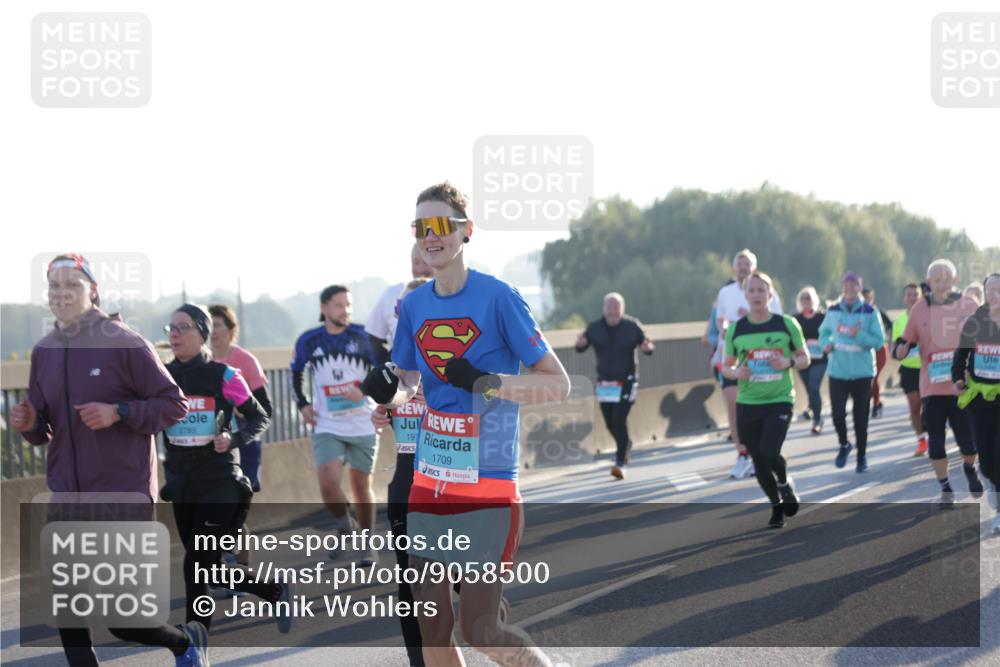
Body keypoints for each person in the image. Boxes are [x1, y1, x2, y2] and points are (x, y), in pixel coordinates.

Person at [363, 181, 570, 667]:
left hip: (488, 480)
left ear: (466, 231)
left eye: (440, 226)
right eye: (420, 228)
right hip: (430, 479)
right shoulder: (413, 306)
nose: (429, 237)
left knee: (481, 628)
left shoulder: (499, 297)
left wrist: (486, 382)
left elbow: (557, 383)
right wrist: (387, 394)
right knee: (431, 625)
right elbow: (412, 382)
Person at [11, 254, 206, 667]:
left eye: (72, 285)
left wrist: (120, 412)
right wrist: (29, 423)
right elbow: (43, 430)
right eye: (54, 287)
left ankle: (185, 641)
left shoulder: (125, 342)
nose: (61, 294)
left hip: (122, 493)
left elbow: (174, 405)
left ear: (93, 290)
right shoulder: (43, 351)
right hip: (67, 494)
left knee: (125, 622)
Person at [161, 304, 292, 633]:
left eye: (183, 327)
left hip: (220, 481)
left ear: (202, 333)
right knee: (206, 566)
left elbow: (260, 416)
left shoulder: (225, 375)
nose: (174, 334)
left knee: (196, 564)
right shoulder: (162, 379)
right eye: (171, 328)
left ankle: (194, 639)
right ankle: (273, 590)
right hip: (182, 483)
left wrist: (234, 438)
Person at [291, 285, 380, 563]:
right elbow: (295, 374)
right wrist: (303, 405)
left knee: (360, 485)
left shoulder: (364, 336)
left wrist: (364, 390)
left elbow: (384, 372)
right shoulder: (309, 340)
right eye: (340, 305)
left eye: (349, 305)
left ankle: (366, 543)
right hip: (327, 423)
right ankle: (345, 524)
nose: (346, 311)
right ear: (324, 308)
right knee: (328, 482)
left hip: (363, 422)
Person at [722, 272, 810, 528]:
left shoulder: (787, 324)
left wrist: (788, 362)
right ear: (746, 295)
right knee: (758, 460)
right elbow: (726, 367)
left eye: (762, 291)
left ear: (770, 295)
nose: (757, 295)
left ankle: (783, 482)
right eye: (752, 291)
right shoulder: (737, 329)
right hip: (748, 402)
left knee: (769, 451)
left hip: (779, 399)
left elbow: (805, 358)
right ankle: (776, 506)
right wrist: (737, 372)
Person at [896, 259, 982, 507]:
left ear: (954, 281)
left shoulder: (969, 305)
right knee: (936, 444)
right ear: (929, 282)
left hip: (963, 388)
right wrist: (901, 349)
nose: (941, 283)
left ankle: (969, 467)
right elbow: (905, 341)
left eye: (946, 278)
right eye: (936, 279)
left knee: (969, 443)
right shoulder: (919, 309)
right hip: (932, 388)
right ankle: (945, 487)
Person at [208, 304, 272, 569]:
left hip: (242, 442)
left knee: (233, 510)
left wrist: (237, 413)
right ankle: (224, 567)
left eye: (218, 325)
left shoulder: (244, 361)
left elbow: (264, 410)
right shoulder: (199, 362)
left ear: (231, 330)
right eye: (208, 326)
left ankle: (241, 568)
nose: (213, 332)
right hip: (208, 446)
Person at [714, 249, 783, 479]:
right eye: (739, 263)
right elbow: (719, 319)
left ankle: (758, 455)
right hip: (733, 358)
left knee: (760, 413)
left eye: (747, 264)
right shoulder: (725, 292)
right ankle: (742, 455)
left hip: (763, 362)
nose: (743, 267)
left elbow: (779, 323)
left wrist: (751, 315)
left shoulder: (766, 290)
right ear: (734, 268)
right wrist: (724, 325)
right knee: (734, 408)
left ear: (754, 268)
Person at [575, 292, 654, 479]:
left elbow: (647, 345)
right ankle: (625, 445)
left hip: (627, 381)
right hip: (605, 382)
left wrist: (648, 348)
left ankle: (620, 462)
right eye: (609, 306)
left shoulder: (632, 326)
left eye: (616, 306)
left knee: (619, 419)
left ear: (622, 308)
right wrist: (580, 343)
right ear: (604, 308)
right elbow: (580, 347)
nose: (613, 310)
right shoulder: (594, 328)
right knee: (610, 422)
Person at [819, 272, 885, 472]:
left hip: (863, 373)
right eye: (846, 285)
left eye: (853, 285)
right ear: (842, 287)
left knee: (860, 417)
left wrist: (860, 335)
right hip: (838, 372)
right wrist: (826, 344)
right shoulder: (833, 310)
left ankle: (861, 456)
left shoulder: (869, 312)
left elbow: (879, 341)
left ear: (859, 288)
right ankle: (844, 444)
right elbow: (824, 333)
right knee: (837, 413)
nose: (849, 288)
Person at [953, 273, 1000, 532]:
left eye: (999, 290)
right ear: (984, 294)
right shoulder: (975, 322)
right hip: (980, 397)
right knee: (987, 460)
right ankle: (993, 483)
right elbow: (960, 355)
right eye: (990, 290)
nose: (995, 295)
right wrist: (957, 377)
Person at [366, 243, 434, 364]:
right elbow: (374, 337)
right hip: (402, 376)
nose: (420, 269)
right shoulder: (392, 294)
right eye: (416, 262)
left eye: (426, 262)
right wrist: (387, 368)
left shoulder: (453, 295)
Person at [892, 284, 928, 456]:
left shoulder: (928, 316)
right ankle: (921, 440)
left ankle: (934, 434)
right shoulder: (899, 321)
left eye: (916, 294)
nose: (912, 297)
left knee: (930, 407)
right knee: (915, 406)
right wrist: (901, 349)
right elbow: (895, 348)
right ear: (904, 298)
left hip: (929, 369)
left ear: (921, 297)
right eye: (909, 294)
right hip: (909, 369)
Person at [794, 285, 827, 434]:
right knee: (809, 389)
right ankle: (813, 409)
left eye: (808, 297)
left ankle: (817, 419)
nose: (805, 300)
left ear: (814, 300)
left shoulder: (822, 316)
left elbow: (830, 334)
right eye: (803, 298)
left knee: (814, 387)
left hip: (820, 358)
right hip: (802, 359)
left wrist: (824, 343)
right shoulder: (796, 319)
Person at [862, 287, 893, 418]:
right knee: (866, 379)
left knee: (873, 377)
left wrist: (887, 338)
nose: (866, 300)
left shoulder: (878, 312)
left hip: (879, 350)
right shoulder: (857, 314)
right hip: (865, 350)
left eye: (869, 298)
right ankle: (873, 402)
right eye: (864, 298)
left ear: (872, 298)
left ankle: (876, 404)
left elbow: (890, 326)